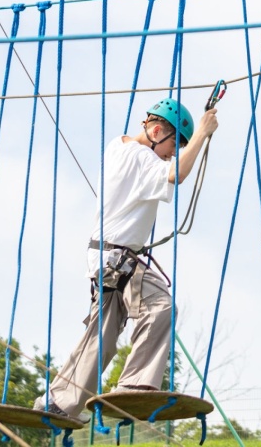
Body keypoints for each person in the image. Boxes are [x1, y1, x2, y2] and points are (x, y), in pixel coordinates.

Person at [35, 98, 219, 419]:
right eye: (173, 145)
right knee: (160, 307)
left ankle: (58, 403)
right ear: (156, 131)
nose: (173, 153)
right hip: (117, 259)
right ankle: (135, 385)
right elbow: (176, 174)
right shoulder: (139, 157)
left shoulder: (117, 146)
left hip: (104, 259)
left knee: (102, 339)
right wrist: (202, 133)